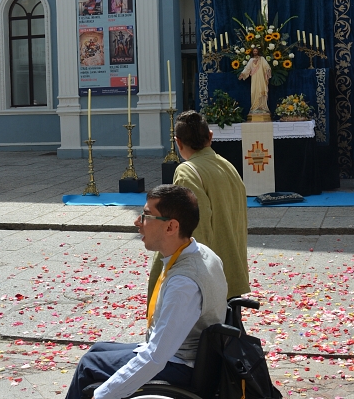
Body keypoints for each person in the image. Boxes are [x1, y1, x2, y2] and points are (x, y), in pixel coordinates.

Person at [65, 185, 228, 399]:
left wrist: (103, 395)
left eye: (146, 216)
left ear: (171, 226)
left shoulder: (184, 284)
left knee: (89, 365)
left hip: (184, 367)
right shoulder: (201, 252)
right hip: (186, 355)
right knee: (97, 350)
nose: (137, 222)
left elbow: (156, 357)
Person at [148, 111, 249, 301]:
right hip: (231, 268)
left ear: (178, 142)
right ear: (210, 136)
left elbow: (193, 228)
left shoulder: (187, 171)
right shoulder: (227, 165)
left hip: (207, 279)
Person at [238, 46, 272, 116]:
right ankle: (255, 108)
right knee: (254, 91)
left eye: (256, 51)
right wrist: (242, 74)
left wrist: (268, 70)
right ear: (252, 52)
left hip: (261, 79)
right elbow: (247, 68)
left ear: (258, 52)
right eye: (254, 51)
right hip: (254, 79)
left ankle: (263, 107)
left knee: (262, 91)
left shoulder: (262, 59)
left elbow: (266, 66)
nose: (255, 52)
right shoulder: (251, 60)